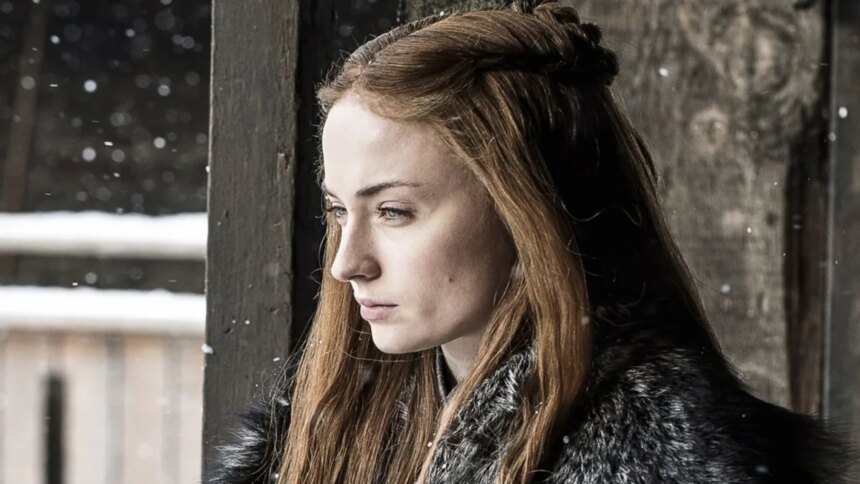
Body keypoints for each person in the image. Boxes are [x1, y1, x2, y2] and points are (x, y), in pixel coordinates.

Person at [206, 1, 854, 483]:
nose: (348, 263)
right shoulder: (330, 430)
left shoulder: (664, 455)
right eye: (338, 211)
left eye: (395, 211)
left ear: (528, 215)